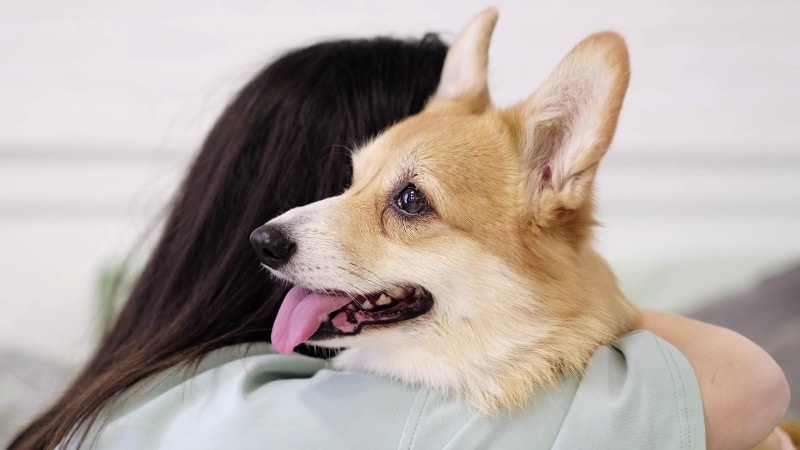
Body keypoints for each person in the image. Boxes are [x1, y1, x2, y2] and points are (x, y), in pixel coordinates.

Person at [11, 35, 790, 450]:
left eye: (406, 202)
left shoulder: (147, 385)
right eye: (355, 182)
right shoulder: (386, 419)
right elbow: (750, 385)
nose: (307, 219)